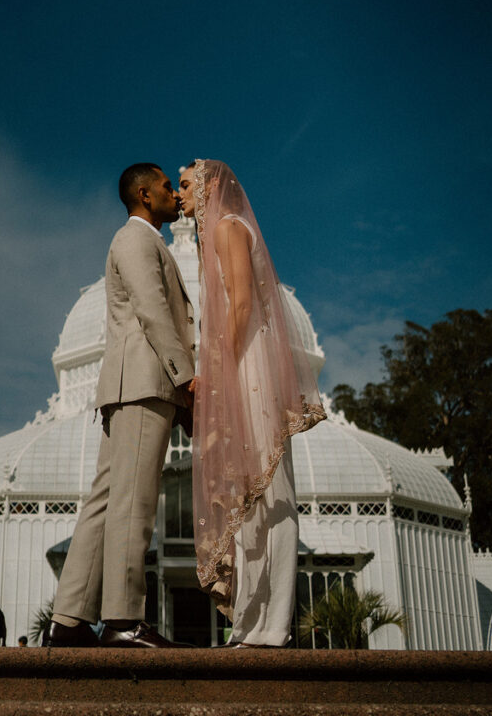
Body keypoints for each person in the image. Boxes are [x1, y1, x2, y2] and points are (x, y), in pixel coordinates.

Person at [43, 163, 196, 648]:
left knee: (107, 499)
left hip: (130, 386)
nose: (175, 195)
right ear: (146, 196)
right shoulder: (136, 239)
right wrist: (186, 378)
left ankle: (67, 621)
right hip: (143, 385)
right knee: (133, 503)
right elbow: (152, 310)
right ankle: (123, 620)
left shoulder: (147, 242)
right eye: (168, 188)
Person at [178, 160, 326, 647]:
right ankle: (253, 622)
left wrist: (215, 368)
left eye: (184, 185)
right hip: (240, 363)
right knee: (248, 493)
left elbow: (241, 305)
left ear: (210, 186)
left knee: (267, 489)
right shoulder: (219, 233)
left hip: (246, 368)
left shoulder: (226, 227)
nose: (178, 195)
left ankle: (269, 624)